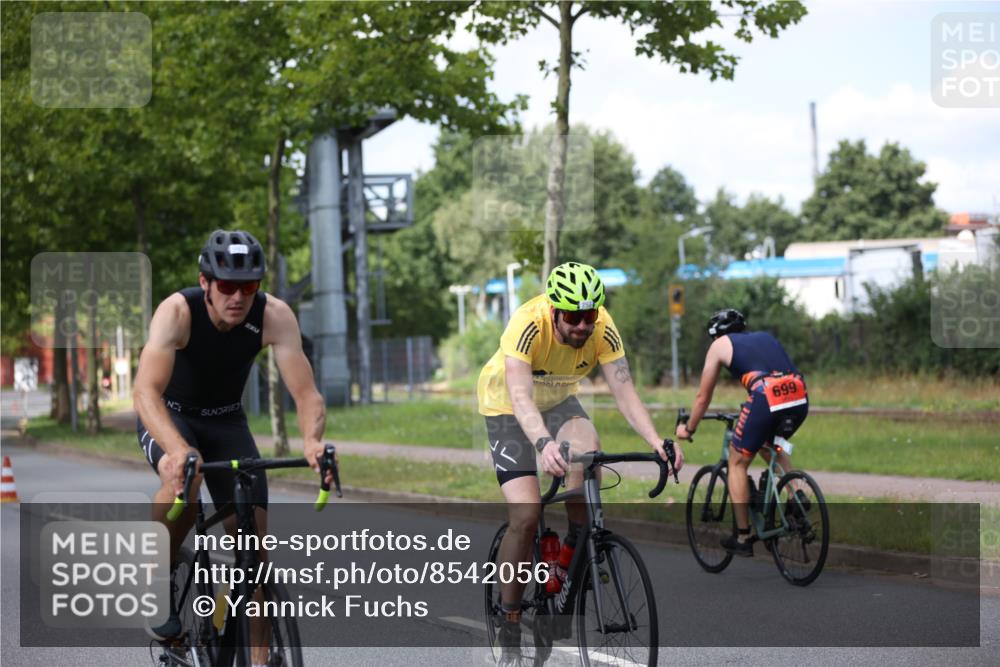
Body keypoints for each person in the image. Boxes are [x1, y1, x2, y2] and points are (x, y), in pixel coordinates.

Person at [133, 229, 328, 653]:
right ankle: (157, 575)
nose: (237, 297)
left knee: (253, 552)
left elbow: (306, 394)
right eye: (226, 286)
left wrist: (312, 441)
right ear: (205, 282)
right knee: (184, 476)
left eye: (249, 286)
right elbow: (145, 391)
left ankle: (260, 661)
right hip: (170, 414)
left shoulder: (274, 315)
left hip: (226, 421)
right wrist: (177, 449)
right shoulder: (177, 312)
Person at [477, 261, 682, 662]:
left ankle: (571, 559)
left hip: (559, 402)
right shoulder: (527, 324)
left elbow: (625, 392)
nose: (583, 326)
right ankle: (510, 618)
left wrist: (657, 441)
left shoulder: (602, 326)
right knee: (527, 514)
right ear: (554, 310)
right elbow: (520, 397)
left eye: (589, 316)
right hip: (507, 409)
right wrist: (543, 443)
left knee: (589, 463)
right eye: (573, 317)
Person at [675, 308, 809, 557]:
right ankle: (796, 496)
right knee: (770, 443)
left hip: (766, 396)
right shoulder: (764, 337)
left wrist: (688, 428)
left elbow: (703, 397)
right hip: (799, 393)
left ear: (715, 334)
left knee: (736, 463)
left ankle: (743, 536)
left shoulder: (719, 345)